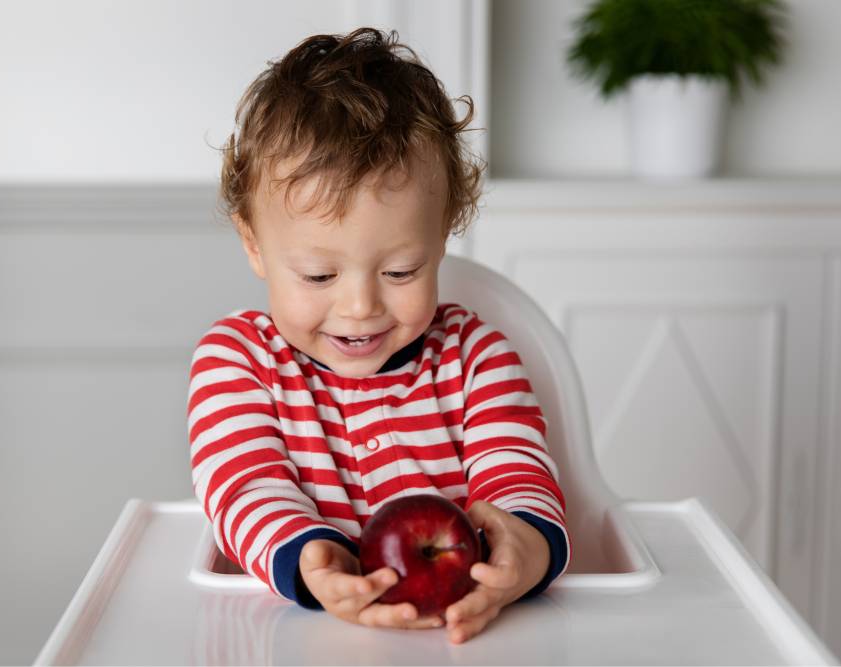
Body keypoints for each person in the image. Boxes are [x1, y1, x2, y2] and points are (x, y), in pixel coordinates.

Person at [187, 27, 569, 645]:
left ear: (442, 236)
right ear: (253, 244)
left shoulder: (476, 357)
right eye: (319, 275)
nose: (361, 307)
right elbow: (244, 487)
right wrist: (310, 560)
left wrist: (525, 548)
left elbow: (516, 471)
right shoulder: (239, 361)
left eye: (401, 272)